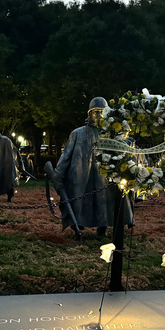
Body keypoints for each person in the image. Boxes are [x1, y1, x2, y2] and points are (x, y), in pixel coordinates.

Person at [55, 97, 133, 237]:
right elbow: (66, 156)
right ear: (89, 114)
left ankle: (102, 228)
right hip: (81, 175)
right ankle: (77, 226)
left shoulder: (112, 134)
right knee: (79, 201)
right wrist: (58, 173)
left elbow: (123, 155)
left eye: (101, 112)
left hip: (104, 177)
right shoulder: (77, 134)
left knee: (104, 201)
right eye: (95, 112)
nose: (98, 115)